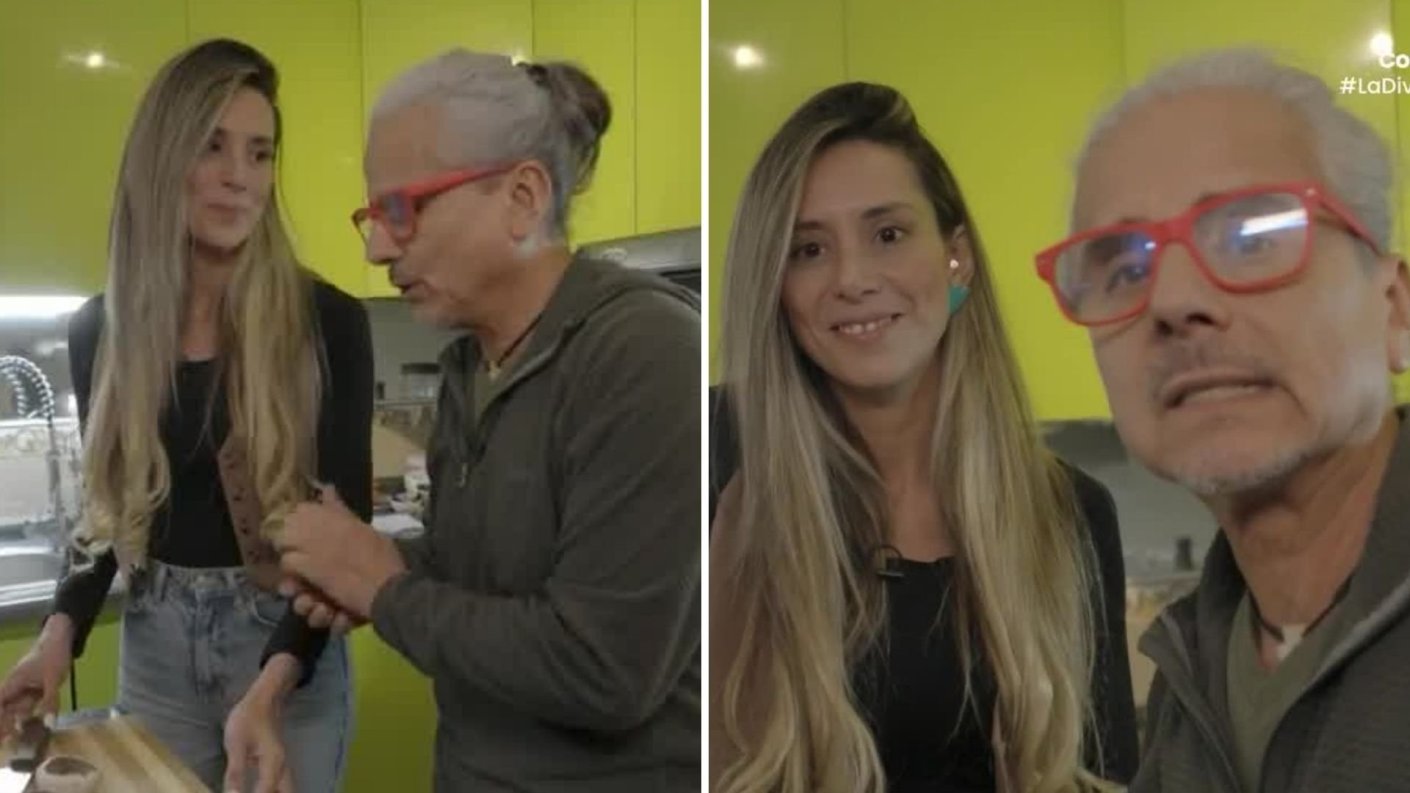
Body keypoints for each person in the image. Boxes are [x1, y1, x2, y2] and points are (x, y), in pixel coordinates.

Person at [273, 49, 701, 792]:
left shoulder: (645, 352)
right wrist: (370, 565)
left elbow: (605, 669)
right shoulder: (468, 368)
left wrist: (383, 588)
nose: (376, 248)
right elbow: (475, 579)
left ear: (523, 198)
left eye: (402, 209)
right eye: (373, 216)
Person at [709, 82, 1138, 793]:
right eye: (809, 249)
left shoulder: (1070, 513)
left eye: (888, 234)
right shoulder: (717, 461)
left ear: (956, 257)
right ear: (774, 286)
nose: (852, 279)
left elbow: (1107, 771)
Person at [0, 39, 372, 793]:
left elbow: (348, 530)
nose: (241, 177)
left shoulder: (326, 322)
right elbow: (107, 511)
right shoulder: (102, 330)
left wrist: (271, 686)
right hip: (157, 650)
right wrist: (57, 636)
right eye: (213, 146)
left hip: (283, 651)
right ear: (162, 159)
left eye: (260, 153)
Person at [1037, 49, 1410, 792]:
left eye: (1252, 237)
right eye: (1125, 269)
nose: (1174, 302)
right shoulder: (1191, 668)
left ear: (1395, 309)